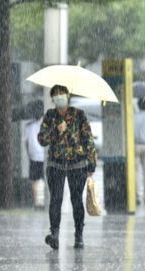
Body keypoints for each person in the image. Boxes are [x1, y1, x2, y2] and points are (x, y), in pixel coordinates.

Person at [37, 85, 97, 250]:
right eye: (55, 95)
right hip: (55, 164)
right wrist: (56, 131)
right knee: (55, 199)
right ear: (52, 99)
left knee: (76, 200)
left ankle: (79, 235)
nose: (59, 98)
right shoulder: (50, 116)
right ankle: (54, 234)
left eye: (61, 94)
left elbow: (88, 139)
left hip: (77, 164)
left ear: (68, 96)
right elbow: (42, 139)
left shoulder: (79, 115)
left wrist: (91, 162)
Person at [24, 106, 45, 209]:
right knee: (48, 180)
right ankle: (47, 200)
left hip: (34, 157)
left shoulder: (29, 126)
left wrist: (29, 155)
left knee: (35, 180)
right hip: (45, 157)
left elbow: (26, 143)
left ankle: (37, 202)